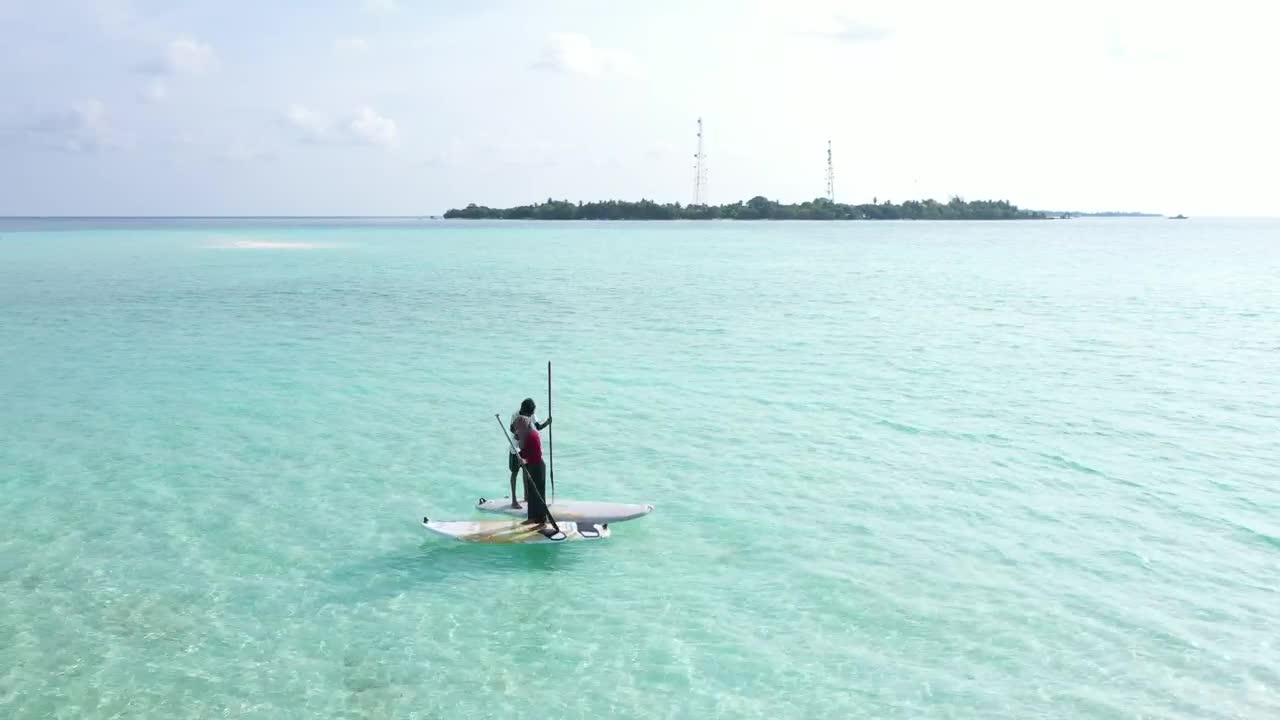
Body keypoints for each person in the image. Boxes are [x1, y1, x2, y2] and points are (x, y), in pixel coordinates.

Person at [507, 398, 550, 509]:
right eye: (531, 413)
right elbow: (513, 431)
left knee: (527, 473)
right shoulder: (515, 416)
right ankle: (514, 501)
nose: (532, 414)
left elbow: (538, 427)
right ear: (525, 411)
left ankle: (527, 497)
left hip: (526, 449)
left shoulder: (531, 413)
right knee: (515, 473)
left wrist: (547, 423)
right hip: (515, 449)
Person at [513, 412, 549, 526]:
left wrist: (526, 460)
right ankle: (532, 518)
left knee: (538, 494)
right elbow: (525, 451)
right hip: (531, 467)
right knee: (531, 494)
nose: (518, 430)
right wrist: (521, 455)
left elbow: (537, 454)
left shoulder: (533, 436)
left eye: (519, 428)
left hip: (538, 467)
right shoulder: (525, 435)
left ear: (524, 426)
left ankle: (542, 520)